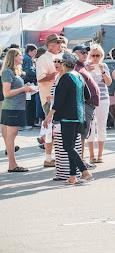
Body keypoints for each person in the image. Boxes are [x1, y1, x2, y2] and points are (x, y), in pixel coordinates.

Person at [42, 52, 93, 185]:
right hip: (79, 116)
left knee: (68, 146)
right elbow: (87, 95)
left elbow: (58, 102)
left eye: (60, 62)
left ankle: (84, 171)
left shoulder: (65, 78)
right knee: (71, 146)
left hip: (68, 117)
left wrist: (48, 117)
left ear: (64, 64)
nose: (58, 64)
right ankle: (72, 176)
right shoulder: (79, 76)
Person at [2, 48, 36, 172]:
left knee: (10, 136)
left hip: (15, 107)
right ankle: (12, 164)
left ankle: (12, 164)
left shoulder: (14, 72)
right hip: (13, 107)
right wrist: (23, 89)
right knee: (10, 136)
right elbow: (6, 92)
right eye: (20, 55)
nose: (22, 57)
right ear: (13, 57)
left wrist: (24, 88)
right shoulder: (8, 72)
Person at [36, 33, 63, 168]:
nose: (60, 44)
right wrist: (58, 73)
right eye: (58, 42)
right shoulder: (43, 59)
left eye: (60, 42)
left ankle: (56, 156)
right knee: (50, 128)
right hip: (48, 98)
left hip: (59, 97)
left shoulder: (58, 56)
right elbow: (40, 78)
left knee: (57, 128)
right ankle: (48, 157)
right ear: (50, 44)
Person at [73, 45, 100, 169]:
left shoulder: (82, 67)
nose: (85, 54)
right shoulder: (76, 68)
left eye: (85, 52)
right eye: (82, 52)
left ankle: (81, 159)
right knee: (82, 134)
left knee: (84, 133)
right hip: (84, 104)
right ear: (74, 54)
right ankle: (81, 160)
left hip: (88, 104)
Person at [85, 44, 111, 163]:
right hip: (89, 99)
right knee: (90, 127)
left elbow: (109, 83)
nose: (95, 58)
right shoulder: (86, 66)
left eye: (98, 55)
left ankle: (100, 155)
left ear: (101, 56)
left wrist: (103, 71)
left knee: (101, 126)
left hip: (103, 98)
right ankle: (91, 155)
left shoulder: (104, 66)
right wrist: (87, 71)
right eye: (93, 55)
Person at [22, 44, 37, 131]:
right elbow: (29, 71)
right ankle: (28, 121)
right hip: (29, 82)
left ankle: (29, 121)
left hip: (27, 81)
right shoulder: (28, 59)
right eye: (34, 51)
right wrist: (37, 73)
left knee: (29, 103)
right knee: (29, 104)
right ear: (30, 51)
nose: (35, 53)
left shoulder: (27, 58)